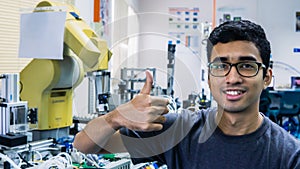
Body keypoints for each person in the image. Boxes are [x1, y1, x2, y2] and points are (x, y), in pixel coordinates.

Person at [73, 20, 300, 169]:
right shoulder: (179, 130)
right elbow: (84, 146)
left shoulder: (288, 155)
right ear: (210, 78)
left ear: (267, 77)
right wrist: (115, 118)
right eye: (221, 66)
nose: (232, 78)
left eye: (247, 66)